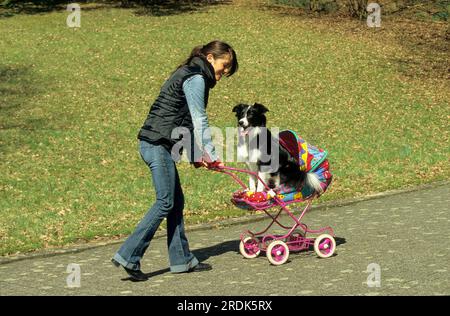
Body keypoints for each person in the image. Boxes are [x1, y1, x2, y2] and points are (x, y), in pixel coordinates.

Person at [112, 40, 238, 281]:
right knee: (165, 201)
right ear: (210, 58)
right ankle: (129, 256)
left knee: (176, 202)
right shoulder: (196, 77)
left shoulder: (190, 73)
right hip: (156, 144)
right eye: (224, 66)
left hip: (158, 143)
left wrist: (195, 157)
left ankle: (181, 260)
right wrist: (212, 155)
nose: (223, 74)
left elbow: (186, 122)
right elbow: (199, 120)